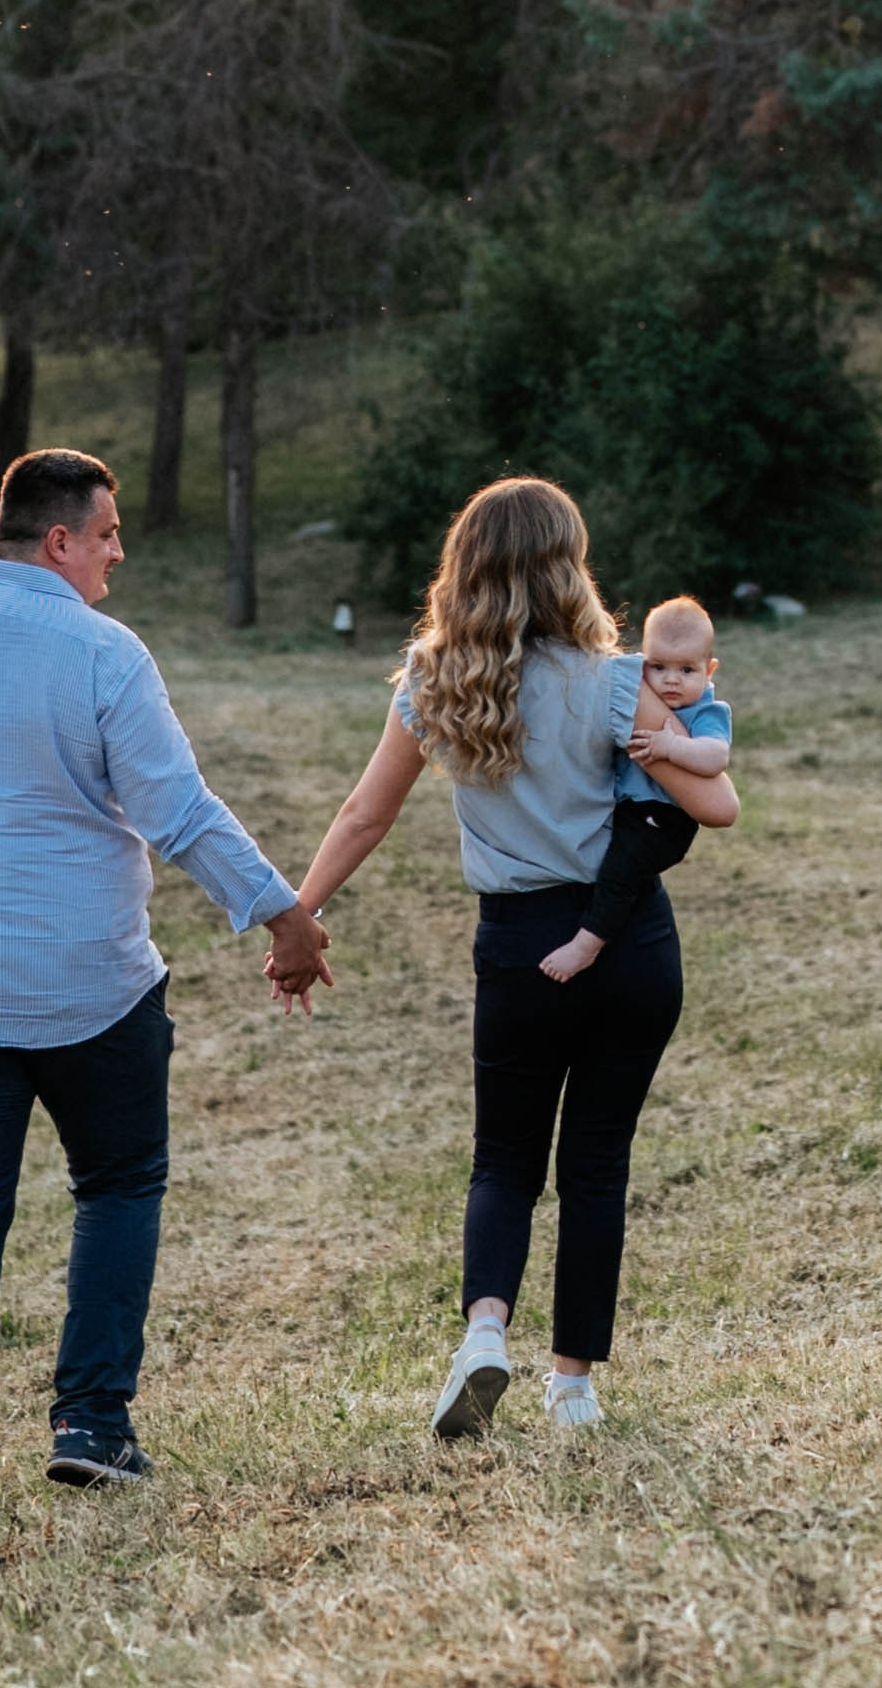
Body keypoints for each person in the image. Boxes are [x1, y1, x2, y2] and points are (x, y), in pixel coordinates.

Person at [0, 447, 329, 1523]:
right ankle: (92, 1421)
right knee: (119, 1186)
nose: (118, 552)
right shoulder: (102, 651)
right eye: (107, 532)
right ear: (58, 540)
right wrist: (282, 913)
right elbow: (177, 810)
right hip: (94, 987)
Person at [270, 476, 735, 1441]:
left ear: (465, 569)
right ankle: (573, 1387)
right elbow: (707, 803)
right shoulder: (619, 682)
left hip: (520, 945)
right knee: (597, 1162)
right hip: (629, 936)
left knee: (505, 1160)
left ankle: (485, 1332)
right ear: (569, 566)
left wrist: (298, 917)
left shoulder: (433, 683)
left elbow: (366, 813)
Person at [539, 595, 732, 983]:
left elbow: (715, 758)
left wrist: (672, 746)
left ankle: (587, 945)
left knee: (619, 873)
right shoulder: (635, 699)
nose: (671, 680)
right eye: (658, 667)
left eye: (687, 670)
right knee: (617, 871)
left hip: (665, 817)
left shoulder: (706, 711)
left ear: (709, 670)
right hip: (634, 810)